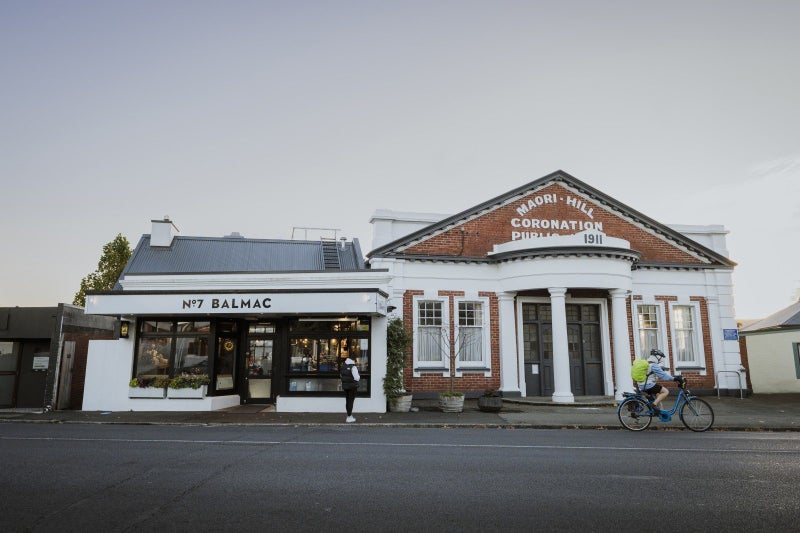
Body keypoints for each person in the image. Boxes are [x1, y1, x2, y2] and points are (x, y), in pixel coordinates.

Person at [635, 348, 684, 413]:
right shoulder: (654, 365)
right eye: (660, 358)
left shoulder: (646, 363)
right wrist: (675, 379)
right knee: (665, 391)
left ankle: (660, 411)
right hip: (648, 385)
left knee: (658, 394)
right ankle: (654, 405)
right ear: (657, 357)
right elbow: (664, 376)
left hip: (641, 385)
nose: (661, 359)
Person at [340, 357, 360, 423]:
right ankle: (349, 417)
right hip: (352, 387)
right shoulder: (353, 367)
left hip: (345, 386)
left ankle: (349, 415)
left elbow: (341, 376)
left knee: (347, 400)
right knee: (351, 401)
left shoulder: (343, 366)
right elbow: (357, 378)